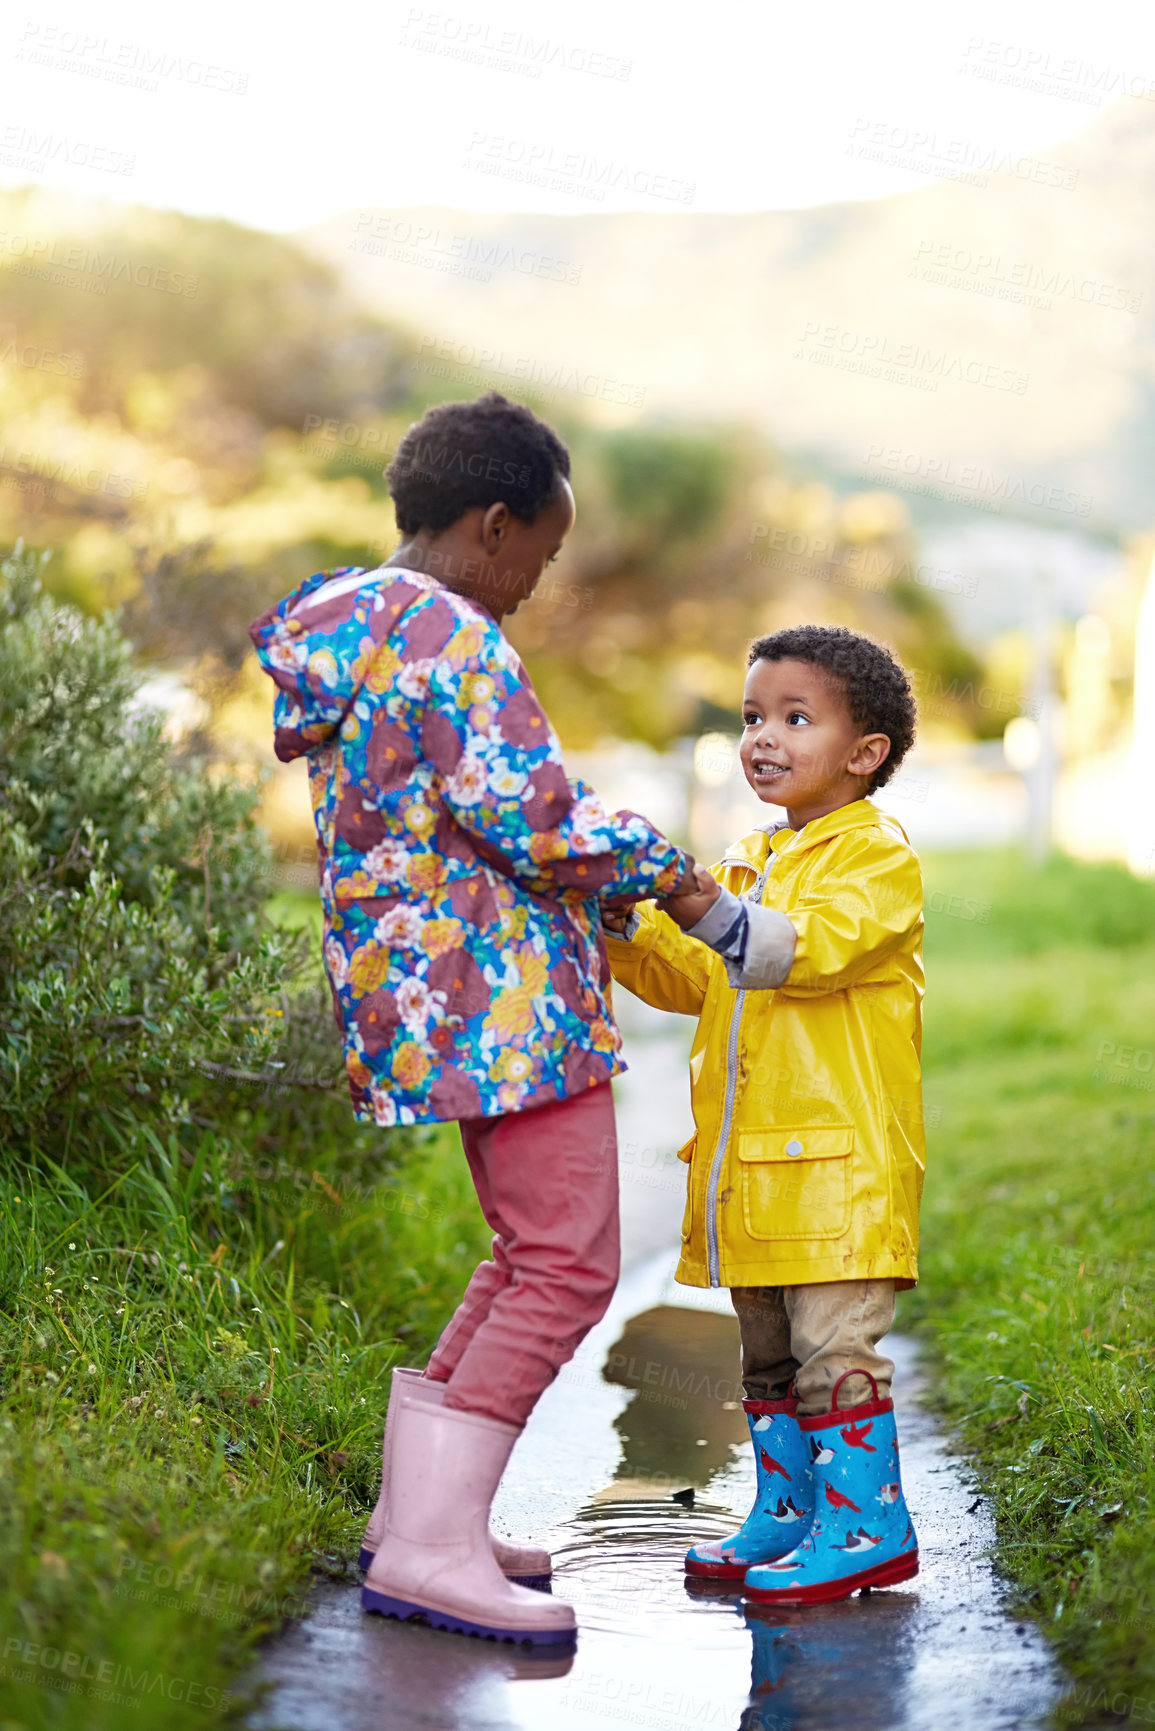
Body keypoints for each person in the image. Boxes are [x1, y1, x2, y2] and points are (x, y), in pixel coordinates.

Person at [249, 392, 696, 1646]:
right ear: (493, 524)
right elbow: (539, 820)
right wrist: (680, 880)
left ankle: (418, 1520)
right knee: (567, 1267)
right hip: (503, 1000)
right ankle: (435, 1551)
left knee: (520, 1252)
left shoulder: (356, 628)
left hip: (419, 999)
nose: (533, 588)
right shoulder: (450, 637)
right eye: (539, 559)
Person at [604, 624, 924, 1605]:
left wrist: (700, 901)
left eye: (795, 717)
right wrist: (625, 922)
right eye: (751, 717)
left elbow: (801, 951)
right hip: (753, 1177)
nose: (762, 738)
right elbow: (694, 976)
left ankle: (870, 1525)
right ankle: (790, 1511)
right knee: (770, 1357)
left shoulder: (875, 859)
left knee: (836, 1354)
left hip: (840, 1174)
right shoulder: (749, 857)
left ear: (864, 754)